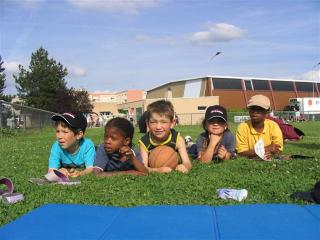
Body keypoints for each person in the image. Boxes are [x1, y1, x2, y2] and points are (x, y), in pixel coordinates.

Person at [139, 100, 192, 173]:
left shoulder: (177, 139)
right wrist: (158, 170)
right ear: (147, 124)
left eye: (163, 122)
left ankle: (190, 144)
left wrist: (184, 166)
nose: (158, 127)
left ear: (172, 123)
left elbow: (187, 162)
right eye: (153, 122)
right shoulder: (144, 142)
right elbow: (143, 168)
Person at [236, 95, 283, 160]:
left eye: (259, 109)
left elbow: (277, 148)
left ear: (267, 112)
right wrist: (264, 149)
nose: (255, 112)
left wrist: (271, 153)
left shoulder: (273, 126)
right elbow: (241, 152)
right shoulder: (243, 127)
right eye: (252, 108)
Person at [48, 112, 95, 177]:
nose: (59, 136)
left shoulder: (87, 145)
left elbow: (90, 168)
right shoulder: (57, 146)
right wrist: (57, 172)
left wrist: (80, 173)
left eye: (65, 132)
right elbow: (51, 170)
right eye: (57, 131)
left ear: (78, 134)